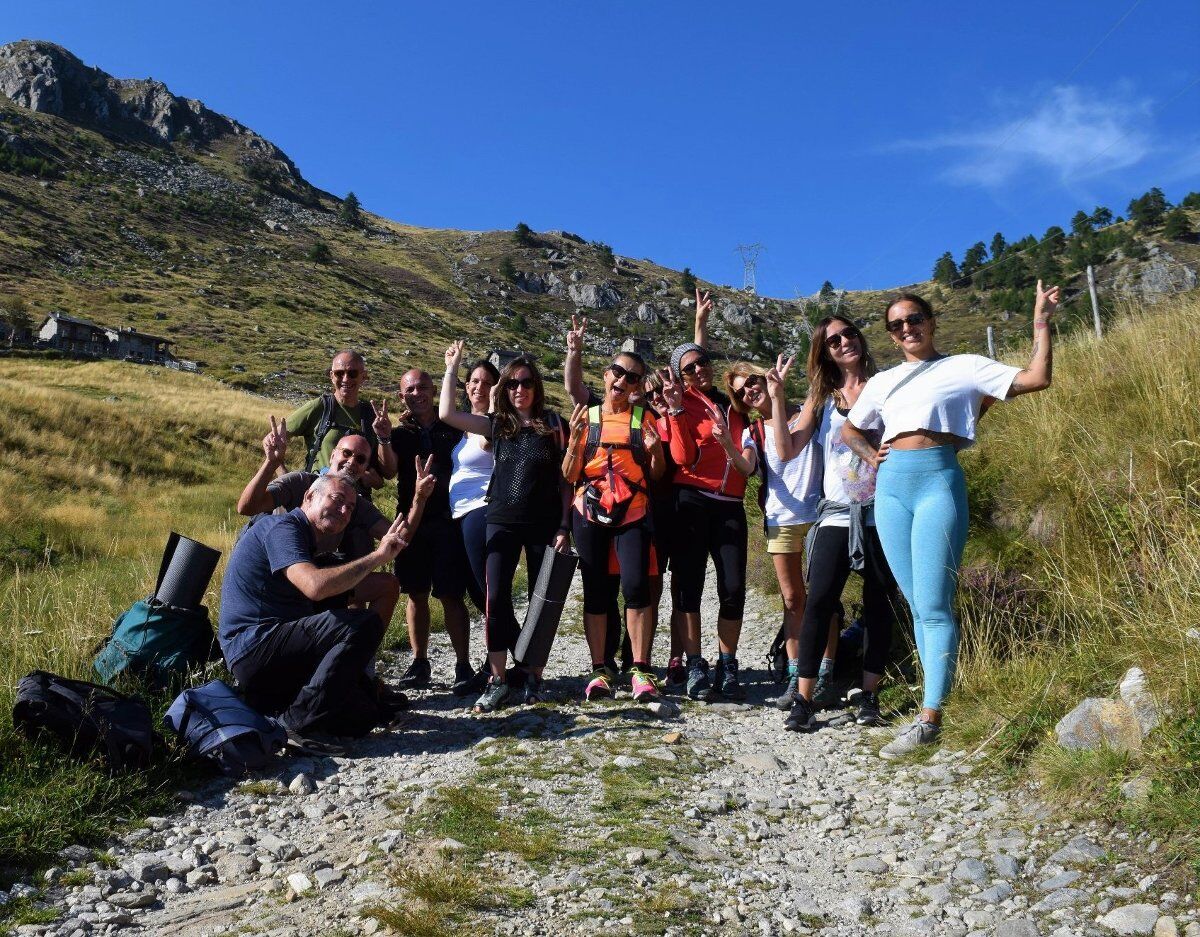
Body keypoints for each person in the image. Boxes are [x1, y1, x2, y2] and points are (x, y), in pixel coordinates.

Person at [842, 284, 1058, 757]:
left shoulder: (964, 366)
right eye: (896, 325)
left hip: (939, 480)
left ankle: (930, 717)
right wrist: (870, 455)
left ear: (931, 321)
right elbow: (849, 427)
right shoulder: (882, 381)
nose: (906, 329)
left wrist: (1040, 318)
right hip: (892, 488)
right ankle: (930, 701)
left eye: (913, 319)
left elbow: (1037, 377)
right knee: (917, 604)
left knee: (936, 603)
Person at [219, 469, 431, 755]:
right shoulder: (283, 528)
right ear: (308, 496)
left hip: (278, 648)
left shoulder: (307, 538)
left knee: (364, 716)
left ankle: (275, 706)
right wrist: (377, 557)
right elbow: (315, 587)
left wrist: (418, 500)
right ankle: (295, 724)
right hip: (253, 647)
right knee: (362, 624)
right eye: (337, 499)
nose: (344, 510)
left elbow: (330, 591)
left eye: (351, 507)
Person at [763, 320, 903, 734]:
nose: (845, 342)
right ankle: (804, 698)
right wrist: (776, 398)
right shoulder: (822, 400)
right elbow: (786, 450)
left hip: (884, 513)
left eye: (850, 334)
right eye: (833, 341)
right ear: (824, 353)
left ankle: (869, 694)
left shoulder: (887, 387)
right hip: (837, 515)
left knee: (880, 603)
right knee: (818, 604)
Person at [439, 342, 572, 711]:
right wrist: (452, 368)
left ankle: (533, 676)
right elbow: (448, 413)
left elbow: (565, 481)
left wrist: (564, 524)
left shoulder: (555, 425)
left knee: (539, 602)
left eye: (526, 382)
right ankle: (498, 679)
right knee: (494, 600)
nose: (519, 389)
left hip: (543, 524)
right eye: (511, 383)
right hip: (500, 520)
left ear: (537, 387)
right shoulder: (498, 424)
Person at [562, 348, 691, 703]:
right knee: (597, 590)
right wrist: (574, 442)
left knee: (635, 587)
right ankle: (599, 668)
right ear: (605, 374)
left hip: (633, 511)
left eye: (632, 377)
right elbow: (570, 475)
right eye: (618, 372)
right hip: (589, 512)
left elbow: (656, 474)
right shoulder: (586, 417)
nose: (622, 380)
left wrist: (657, 453)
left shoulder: (642, 417)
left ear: (637, 386)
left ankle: (640, 668)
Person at [722, 360, 825, 712]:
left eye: (752, 380)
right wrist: (728, 445)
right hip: (780, 519)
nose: (750, 389)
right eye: (741, 390)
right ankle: (796, 674)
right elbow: (747, 467)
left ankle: (824, 671)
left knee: (824, 598)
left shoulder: (810, 410)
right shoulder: (755, 431)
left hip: (819, 516)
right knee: (793, 599)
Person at [668, 287, 754, 701]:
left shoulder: (734, 404)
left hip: (731, 505)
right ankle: (695, 665)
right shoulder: (680, 402)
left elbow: (694, 354)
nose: (699, 370)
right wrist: (677, 410)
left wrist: (700, 322)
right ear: (680, 378)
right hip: (691, 500)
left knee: (733, 587)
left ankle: (728, 662)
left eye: (704, 363)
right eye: (690, 369)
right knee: (689, 586)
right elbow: (681, 455)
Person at [236, 420, 400, 630]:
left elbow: (395, 535)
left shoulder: (357, 504)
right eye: (346, 453)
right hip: (274, 584)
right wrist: (271, 463)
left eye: (360, 459)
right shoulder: (300, 482)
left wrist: (419, 500)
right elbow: (246, 507)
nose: (351, 462)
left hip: (313, 583)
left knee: (387, 585)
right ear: (332, 455)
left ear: (365, 469)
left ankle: (362, 656)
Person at [388, 368, 476, 696]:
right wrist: (383, 437)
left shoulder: (453, 426)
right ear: (402, 396)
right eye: (410, 389)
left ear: (433, 389)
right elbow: (385, 470)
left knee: (452, 593)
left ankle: (463, 664)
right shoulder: (398, 434)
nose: (417, 393)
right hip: (411, 521)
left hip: (448, 521)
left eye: (423, 387)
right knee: (415, 592)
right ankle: (419, 660)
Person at [448, 358, 499, 696]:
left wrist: (495, 403)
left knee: (485, 593)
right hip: (461, 514)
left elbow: (486, 446)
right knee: (477, 591)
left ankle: (499, 666)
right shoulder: (464, 426)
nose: (477, 386)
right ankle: (500, 659)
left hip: (480, 511)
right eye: (473, 381)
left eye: (485, 382)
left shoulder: (492, 423)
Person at [286, 350, 397, 490]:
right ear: (332, 376)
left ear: (363, 377)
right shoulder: (320, 407)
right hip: (317, 498)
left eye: (352, 373)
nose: (345, 379)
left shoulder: (371, 417)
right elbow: (273, 441)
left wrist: (384, 438)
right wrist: (286, 479)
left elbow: (388, 474)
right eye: (339, 373)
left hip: (354, 504)